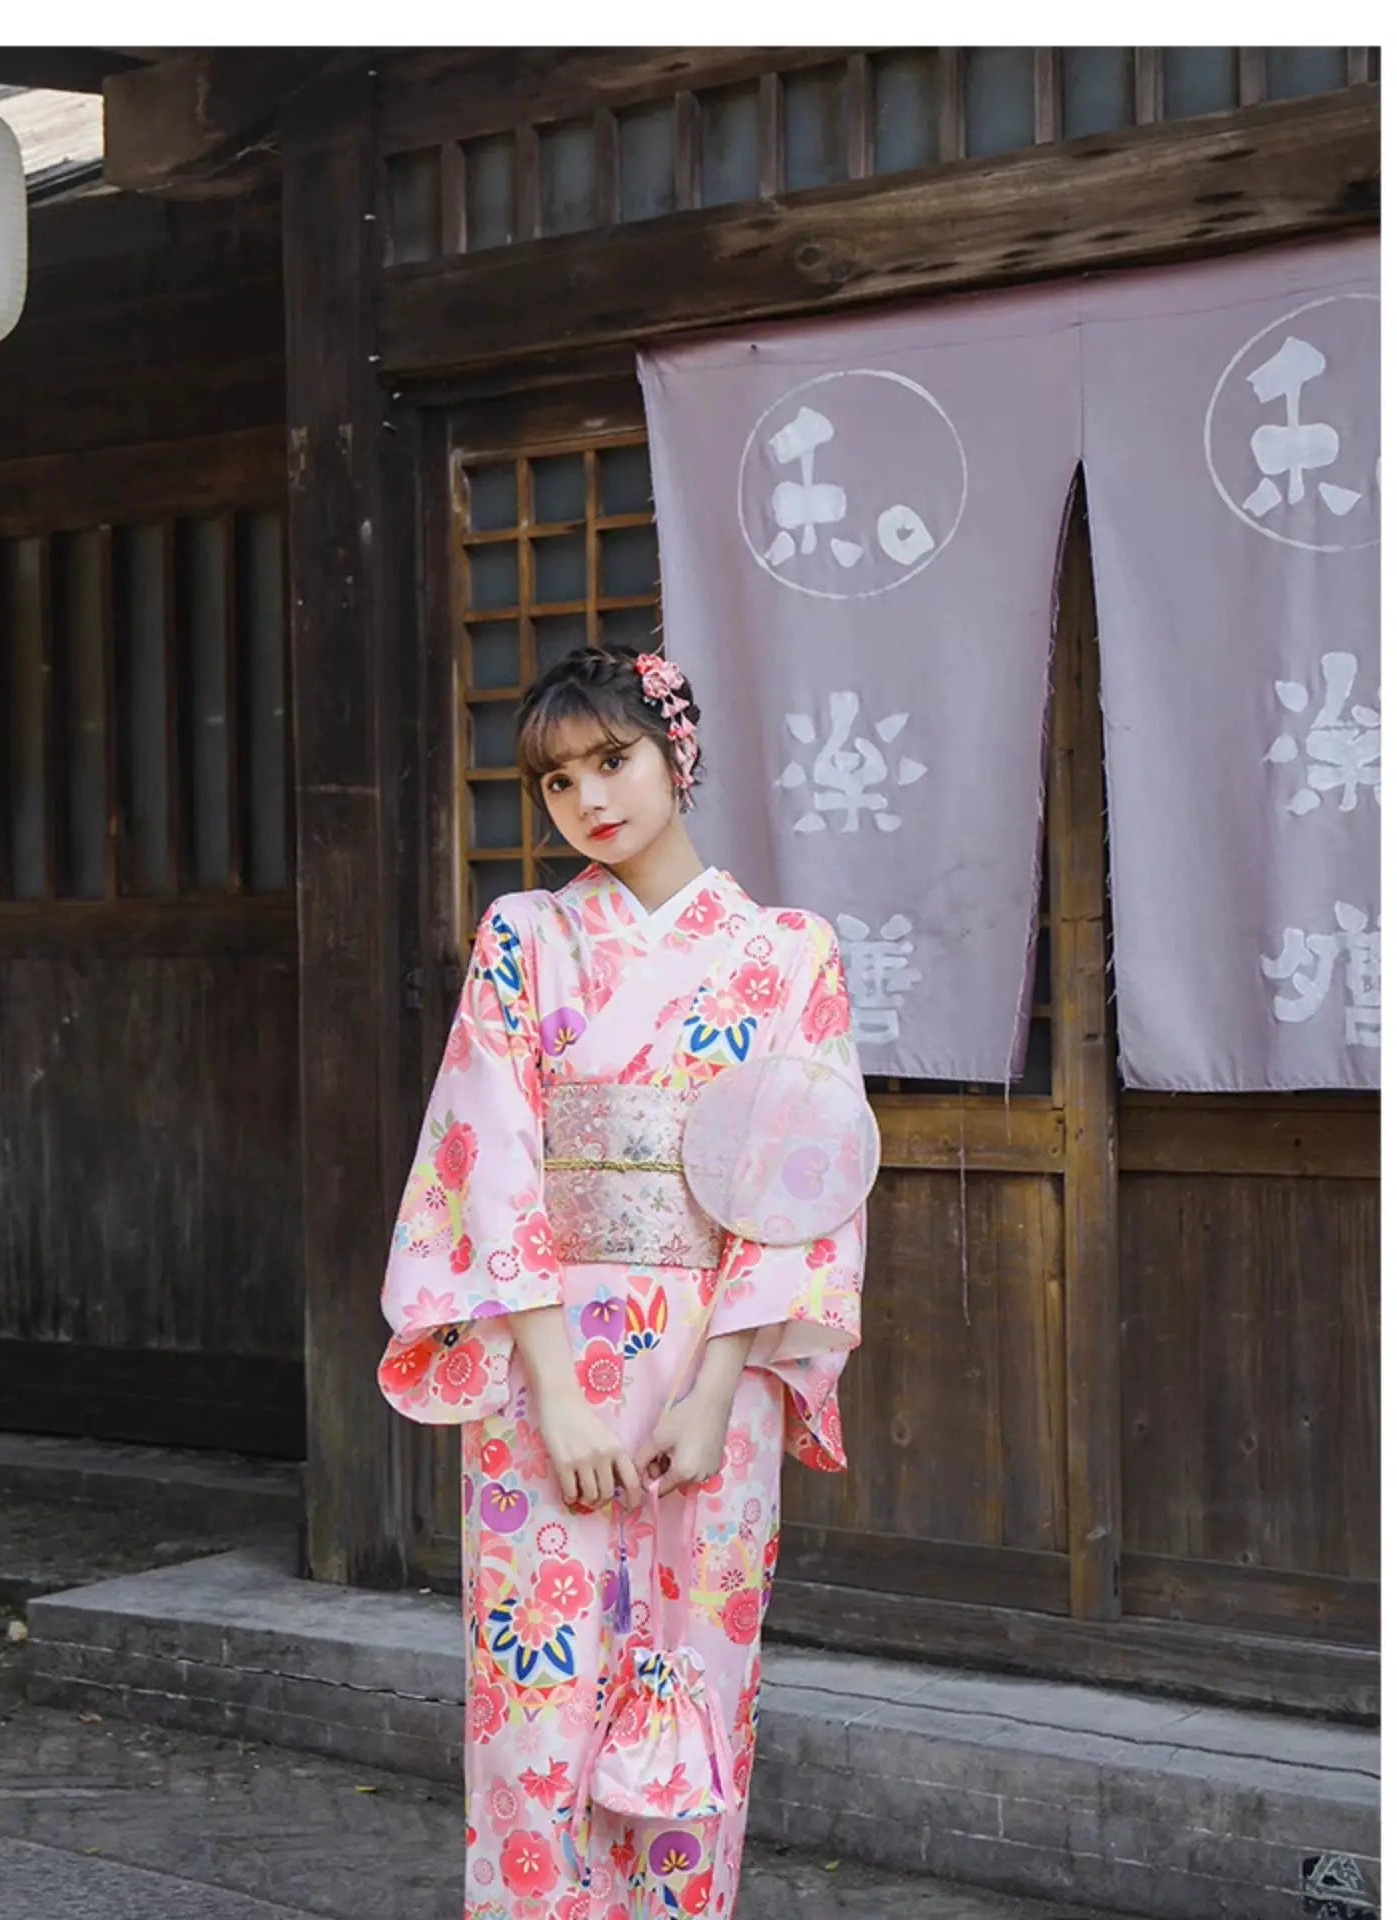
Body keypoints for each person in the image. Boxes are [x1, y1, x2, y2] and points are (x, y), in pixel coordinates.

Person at [378, 643, 866, 1917]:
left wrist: (718, 1390)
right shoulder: (524, 937)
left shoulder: (788, 954)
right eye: (556, 783)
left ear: (676, 755)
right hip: (553, 1364)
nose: (590, 799)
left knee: (697, 1684)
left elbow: (804, 1182)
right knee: (533, 1702)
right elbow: (486, 1155)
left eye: (614, 760)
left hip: (721, 1359)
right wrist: (555, 1388)